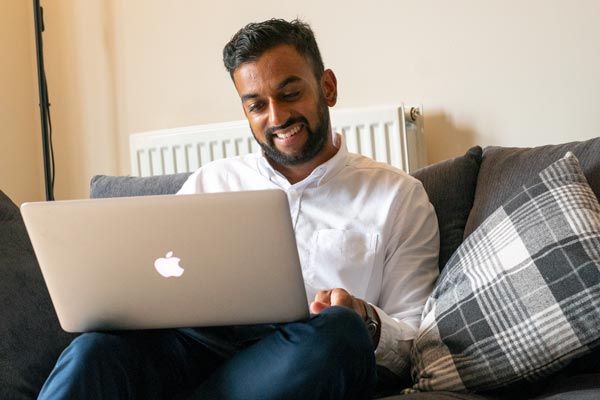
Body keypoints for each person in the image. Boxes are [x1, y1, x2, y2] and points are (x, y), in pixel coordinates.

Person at [38, 18, 439, 400]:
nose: (277, 117)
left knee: (341, 332)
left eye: (289, 93)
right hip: (191, 348)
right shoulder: (209, 183)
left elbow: (413, 344)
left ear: (327, 87)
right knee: (94, 351)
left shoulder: (398, 196)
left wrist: (366, 318)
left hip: (297, 356)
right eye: (257, 105)